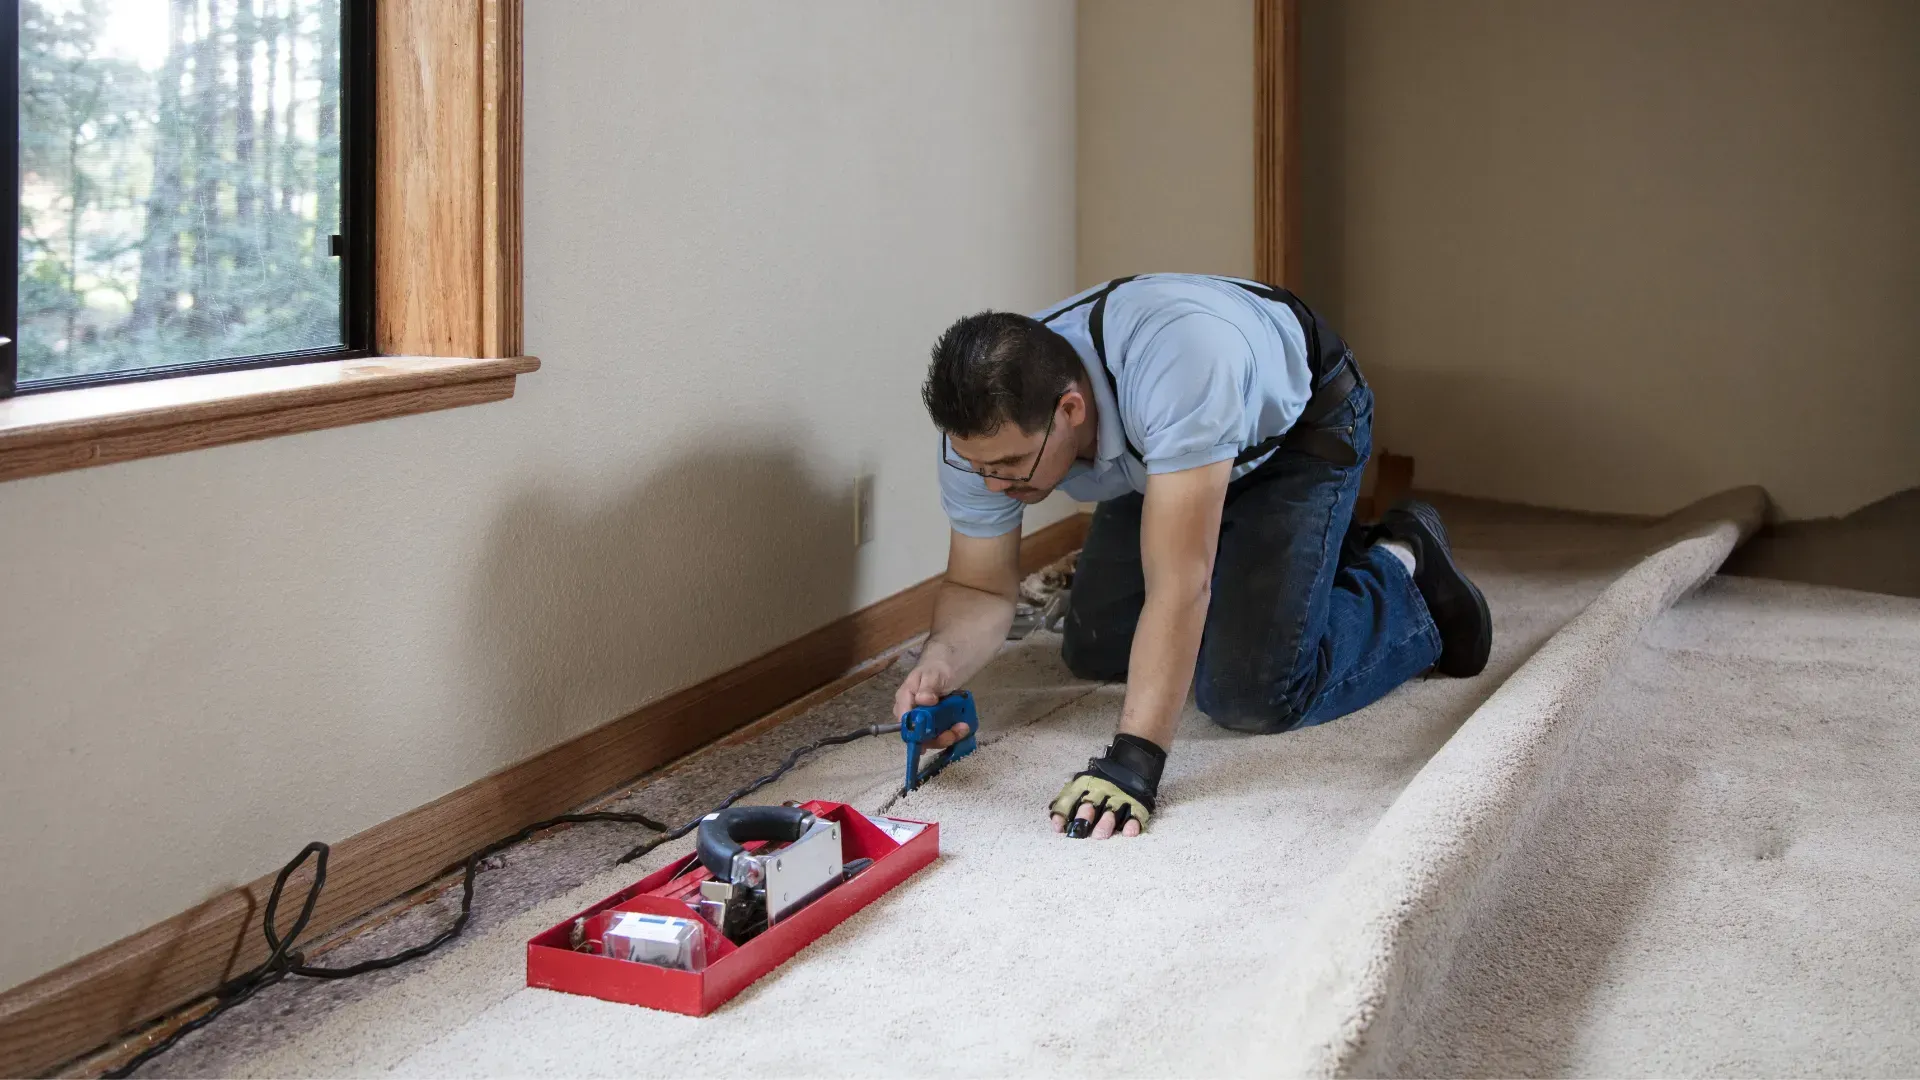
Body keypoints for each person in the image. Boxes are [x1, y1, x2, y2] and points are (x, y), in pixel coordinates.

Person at [892, 274, 1493, 839]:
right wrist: (939, 664)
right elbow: (980, 588)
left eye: (1009, 467)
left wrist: (1133, 761)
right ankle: (1300, 565)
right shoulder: (985, 431)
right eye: (979, 468)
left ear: (1070, 410)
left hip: (1298, 434)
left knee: (1250, 694)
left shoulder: (1181, 367)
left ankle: (1401, 558)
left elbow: (1180, 585)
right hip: (1166, 459)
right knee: (1098, 646)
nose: (994, 486)